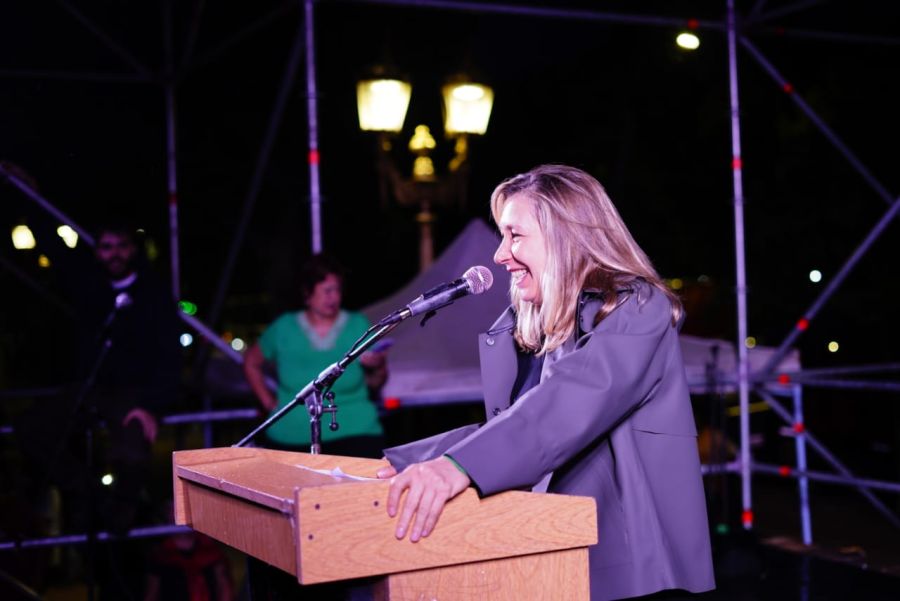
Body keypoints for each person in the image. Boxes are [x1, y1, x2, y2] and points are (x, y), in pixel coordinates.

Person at [377, 165, 715, 600]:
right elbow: (516, 426)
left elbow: (565, 408)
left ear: (565, 236)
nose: (500, 255)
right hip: (555, 549)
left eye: (515, 236)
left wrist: (456, 468)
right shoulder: (540, 326)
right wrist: (410, 461)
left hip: (634, 570)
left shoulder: (637, 308)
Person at [16, 220, 182, 534]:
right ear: (97, 251)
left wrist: (151, 406)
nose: (114, 254)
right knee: (31, 427)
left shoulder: (153, 293)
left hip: (133, 392)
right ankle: (87, 490)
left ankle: (122, 515)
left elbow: (170, 356)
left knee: (132, 449)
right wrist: (28, 195)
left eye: (121, 246)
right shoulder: (90, 285)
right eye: (106, 247)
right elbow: (57, 250)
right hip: (90, 386)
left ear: (133, 249)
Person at [244, 253, 388, 458]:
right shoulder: (284, 327)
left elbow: (376, 383)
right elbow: (251, 362)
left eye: (338, 290)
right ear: (307, 293)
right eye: (327, 291)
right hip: (290, 436)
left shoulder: (358, 324)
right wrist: (268, 403)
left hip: (357, 432)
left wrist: (378, 366)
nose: (334, 297)